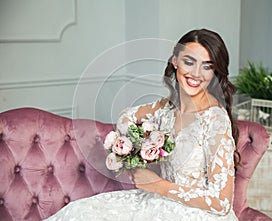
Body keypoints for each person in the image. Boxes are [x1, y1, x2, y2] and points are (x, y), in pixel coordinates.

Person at [45, 29, 239, 221]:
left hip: (197, 214)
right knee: (81, 212)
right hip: (161, 202)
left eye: (207, 66)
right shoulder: (166, 108)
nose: (196, 73)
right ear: (175, 61)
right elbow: (125, 117)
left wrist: (158, 185)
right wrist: (141, 150)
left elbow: (221, 202)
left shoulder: (215, 120)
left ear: (214, 72)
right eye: (189, 62)